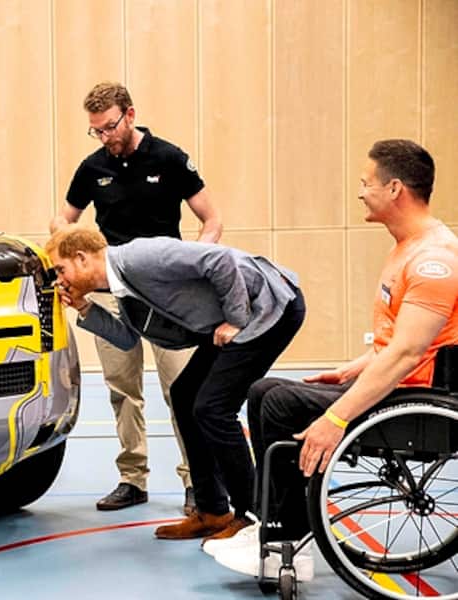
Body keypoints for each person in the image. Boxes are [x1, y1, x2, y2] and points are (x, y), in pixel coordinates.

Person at [208, 139, 458, 581]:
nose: (360, 192)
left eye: (366, 183)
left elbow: (407, 354)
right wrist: (352, 369)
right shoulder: (408, 246)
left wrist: (336, 419)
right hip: (401, 384)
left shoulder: (433, 261)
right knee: (264, 390)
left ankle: (291, 537)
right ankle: (273, 524)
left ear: (395, 188)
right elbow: (397, 342)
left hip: (417, 401)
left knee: (280, 404)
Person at [45, 225, 305, 543]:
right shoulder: (121, 285)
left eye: (61, 269)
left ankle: (251, 517)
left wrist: (235, 318)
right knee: (184, 395)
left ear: (82, 258)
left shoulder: (139, 257)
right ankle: (212, 511)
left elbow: (220, 260)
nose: (61, 280)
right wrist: (83, 307)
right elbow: (127, 340)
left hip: (269, 308)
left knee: (213, 408)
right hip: (236, 317)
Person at [50, 81, 222, 512]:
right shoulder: (92, 168)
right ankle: (132, 478)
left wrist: (193, 261)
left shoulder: (169, 158)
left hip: (165, 295)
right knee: (122, 388)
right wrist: (69, 246)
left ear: (129, 114)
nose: (104, 137)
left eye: (109, 127)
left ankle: (196, 480)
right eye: (96, 130)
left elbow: (212, 219)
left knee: (181, 389)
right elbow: (62, 219)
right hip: (111, 290)